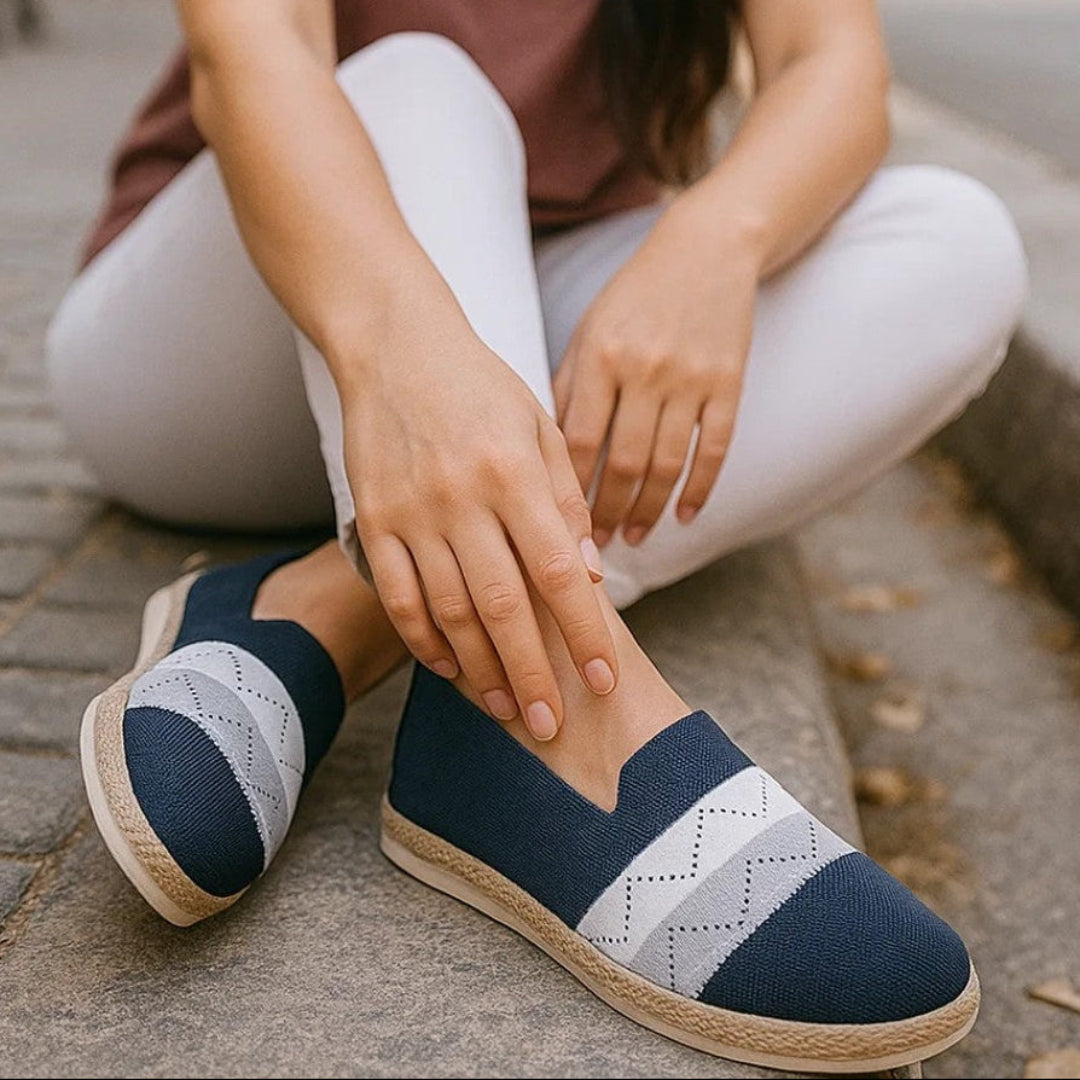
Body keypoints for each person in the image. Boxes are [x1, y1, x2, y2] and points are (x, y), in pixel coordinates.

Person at [49, 1, 1025, 1071]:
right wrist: (407, 358)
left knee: (954, 242)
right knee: (419, 78)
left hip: (531, 310)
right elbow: (255, 54)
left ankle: (330, 609)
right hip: (241, 316)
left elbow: (828, 58)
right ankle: (555, 714)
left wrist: (713, 241)